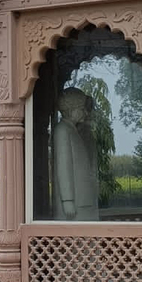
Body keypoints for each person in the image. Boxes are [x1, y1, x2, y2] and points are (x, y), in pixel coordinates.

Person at [53, 87, 99, 221]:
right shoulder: (62, 130)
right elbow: (64, 167)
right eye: (81, 109)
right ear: (71, 110)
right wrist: (68, 200)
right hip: (75, 203)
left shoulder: (72, 130)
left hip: (82, 200)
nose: (85, 113)